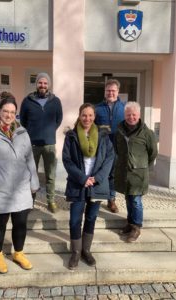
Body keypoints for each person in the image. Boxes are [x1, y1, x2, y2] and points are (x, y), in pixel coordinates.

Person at [0, 92, 39, 274]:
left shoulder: (22, 132)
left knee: (20, 223)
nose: (8, 115)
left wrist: (34, 183)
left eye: (12, 112)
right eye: (5, 111)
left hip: (21, 187)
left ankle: (18, 253)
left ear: (15, 113)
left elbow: (29, 158)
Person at [62, 103, 114, 270]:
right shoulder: (71, 136)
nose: (87, 118)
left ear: (94, 116)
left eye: (90, 115)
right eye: (84, 115)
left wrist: (97, 178)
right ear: (80, 115)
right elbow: (67, 160)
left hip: (97, 184)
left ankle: (86, 250)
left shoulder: (103, 135)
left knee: (91, 218)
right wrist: (82, 178)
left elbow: (109, 158)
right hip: (79, 183)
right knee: (75, 219)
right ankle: (76, 252)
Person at [114, 101, 158, 242]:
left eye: (134, 114)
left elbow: (153, 153)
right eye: (128, 114)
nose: (131, 117)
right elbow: (117, 149)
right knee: (128, 198)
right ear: (125, 115)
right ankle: (130, 223)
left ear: (139, 115)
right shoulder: (119, 131)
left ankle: (137, 227)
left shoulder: (147, 133)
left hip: (138, 174)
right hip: (124, 172)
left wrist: (143, 165)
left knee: (136, 200)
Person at [20, 72, 63, 213]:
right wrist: (32, 133)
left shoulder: (55, 101)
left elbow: (59, 119)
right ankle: (30, 200)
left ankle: (50, 201)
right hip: (32, 144)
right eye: (40, 82)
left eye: (45, 83)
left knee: (50, 175)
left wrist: (49, 131)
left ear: (48, 85)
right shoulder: (27, 101)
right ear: (36, 84)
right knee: (31, 174)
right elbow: (23, 121)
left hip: (49, 144)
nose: (42, 85)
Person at [95, 79, 125, 213]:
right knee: (101, 173)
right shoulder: (97, 108)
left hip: (117, 149)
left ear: (118, 92)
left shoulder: (124, 108)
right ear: (105, 92)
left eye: (113, 90)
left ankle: (111, 200)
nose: (110, 93)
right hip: (101, 149)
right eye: (108, 90)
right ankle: (98, 197)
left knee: (113, 175)